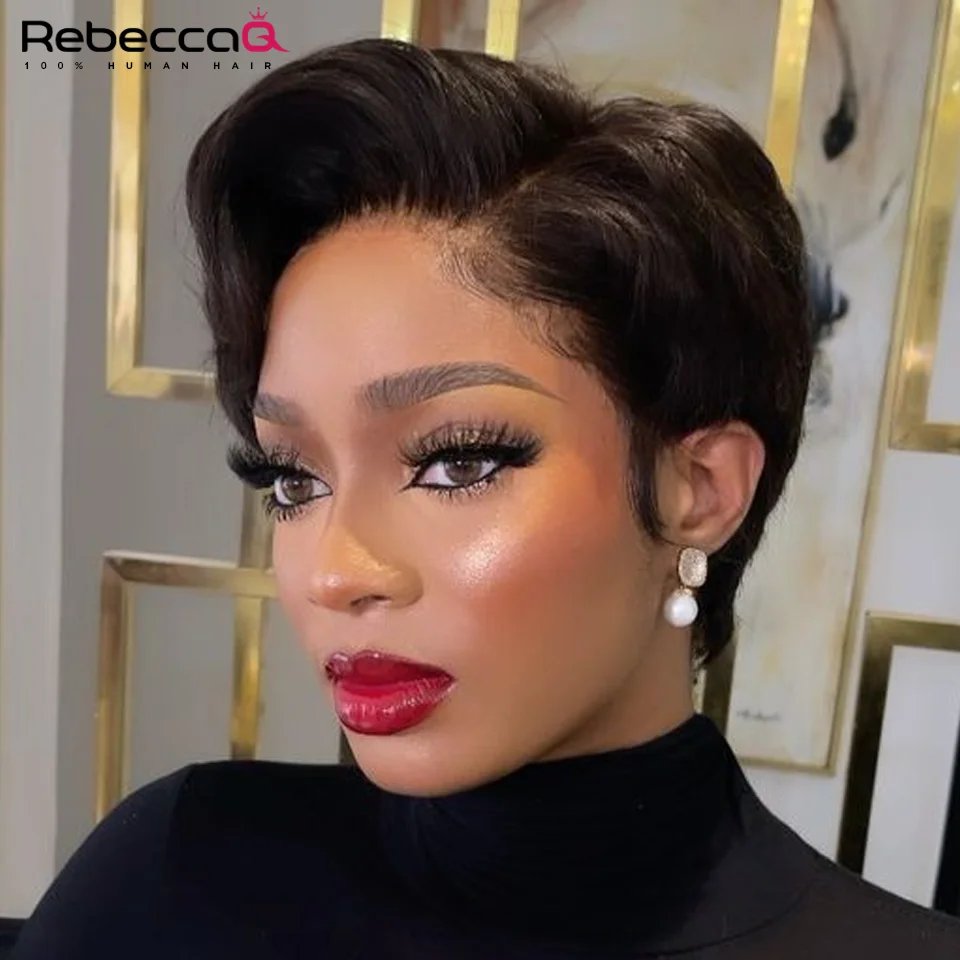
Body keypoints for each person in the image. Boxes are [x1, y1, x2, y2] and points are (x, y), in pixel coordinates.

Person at [12, 36, 960, 960]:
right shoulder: (173, 870)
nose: (334, 572)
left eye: (457, 463)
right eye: (293, 478)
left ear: (702, 490)